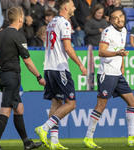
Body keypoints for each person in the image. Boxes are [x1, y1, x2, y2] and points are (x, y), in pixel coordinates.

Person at [0, 7, 45, 150]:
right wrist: (39, 76)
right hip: (11, 78)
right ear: (20, 18)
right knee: (5, 111)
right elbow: (27, 61)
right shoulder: (18, 36)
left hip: (1, 77)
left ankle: (27, 143)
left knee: (19, 109)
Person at [83, 8, 134, 148]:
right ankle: (88, 137)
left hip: (117, 73)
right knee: (101, 106)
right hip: (107, 73)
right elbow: (101, 51)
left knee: (133, 102)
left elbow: (121, 49)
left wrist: (122, 65)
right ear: (110, 20)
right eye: (115, 18)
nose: (120, 19)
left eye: (121, 16)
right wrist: (117, 54)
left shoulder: (124, 30)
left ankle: (132, 137)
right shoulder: (108, 32)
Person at [34, 0, 87, 149]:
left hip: (49, 68)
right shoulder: (64, 23)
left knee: (56, 103)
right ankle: (44, 128)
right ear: (65, 7)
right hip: (60, 68)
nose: (74, 8)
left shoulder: (52, 22)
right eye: (72, 5)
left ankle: (54, 141)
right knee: (71, 103)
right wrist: (80, 64)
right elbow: (68, 47)